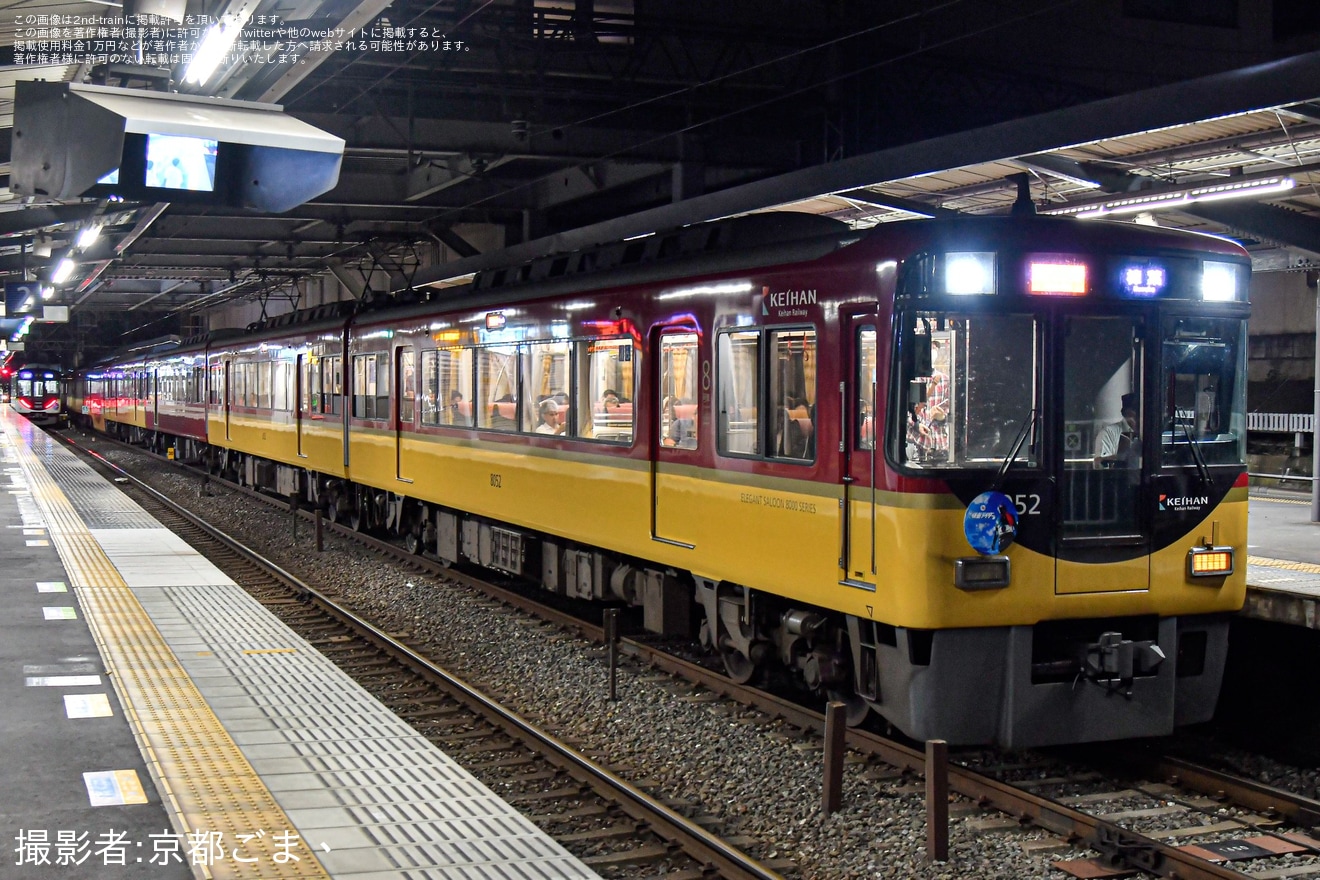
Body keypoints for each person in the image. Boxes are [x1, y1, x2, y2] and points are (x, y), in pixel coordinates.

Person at [1094, 392, 1139, 467]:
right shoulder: (1109, 433)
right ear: (1128, 414)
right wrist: (1124, 456)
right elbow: (1100, 463)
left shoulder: (1150, 432)